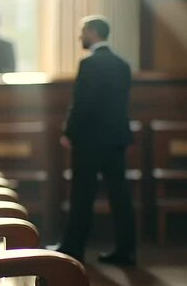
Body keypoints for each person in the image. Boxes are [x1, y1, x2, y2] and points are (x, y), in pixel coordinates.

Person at [53, 16, 136, 266]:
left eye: (82, 32)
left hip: (89, 140)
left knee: (82, 195)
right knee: (120, 196)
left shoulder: (89, 64)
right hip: (116, 139)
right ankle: (127, 250)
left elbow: (82, 105)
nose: (80, 37)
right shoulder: (123, 65)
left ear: (93, 32)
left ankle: (73, 247)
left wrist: (69, 133)